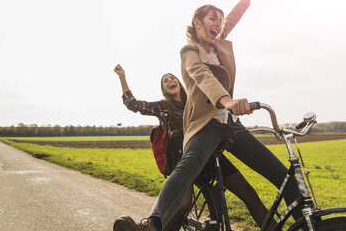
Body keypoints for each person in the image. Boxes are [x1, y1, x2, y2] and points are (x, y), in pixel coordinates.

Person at [113, 64, 276, 230]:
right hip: (182, 157)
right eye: (165, 81)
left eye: (172, 78)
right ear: (164, 89)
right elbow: (133, 104)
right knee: (182, 204)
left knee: (246, 194)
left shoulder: (196, 102)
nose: (170, 81)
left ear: (179, 82)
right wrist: (122, 77)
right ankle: (153, 227)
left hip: (210, 154)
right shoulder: (163, 107)